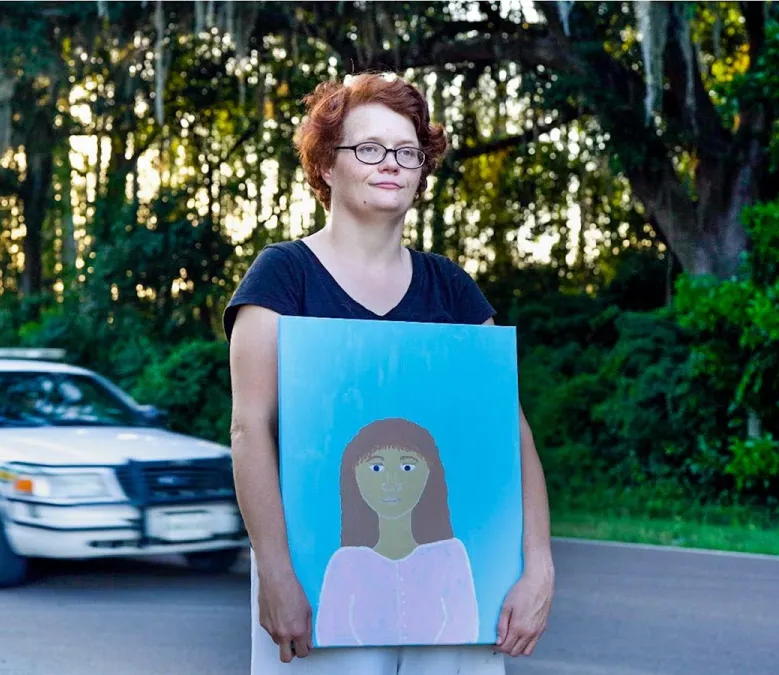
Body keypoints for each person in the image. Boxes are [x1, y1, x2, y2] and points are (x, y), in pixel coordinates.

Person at [224, 71, 555, 675]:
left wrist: (539, 567)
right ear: (326, 165)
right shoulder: (282, 277)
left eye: (409, 152)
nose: (393, 164)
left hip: (456, 598)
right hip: (316, 583)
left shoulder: (451, 289)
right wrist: (275, 575)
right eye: (370, 148)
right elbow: (249, 431)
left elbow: (511, 434)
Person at [315, 418, 479, 647]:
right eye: (376, 468)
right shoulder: (345, 563)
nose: (391, 481)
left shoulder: (450, 555)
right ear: (354, 475)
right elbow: (331, 631)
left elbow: (463, 625)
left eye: (407, 467)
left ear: (430, 473)